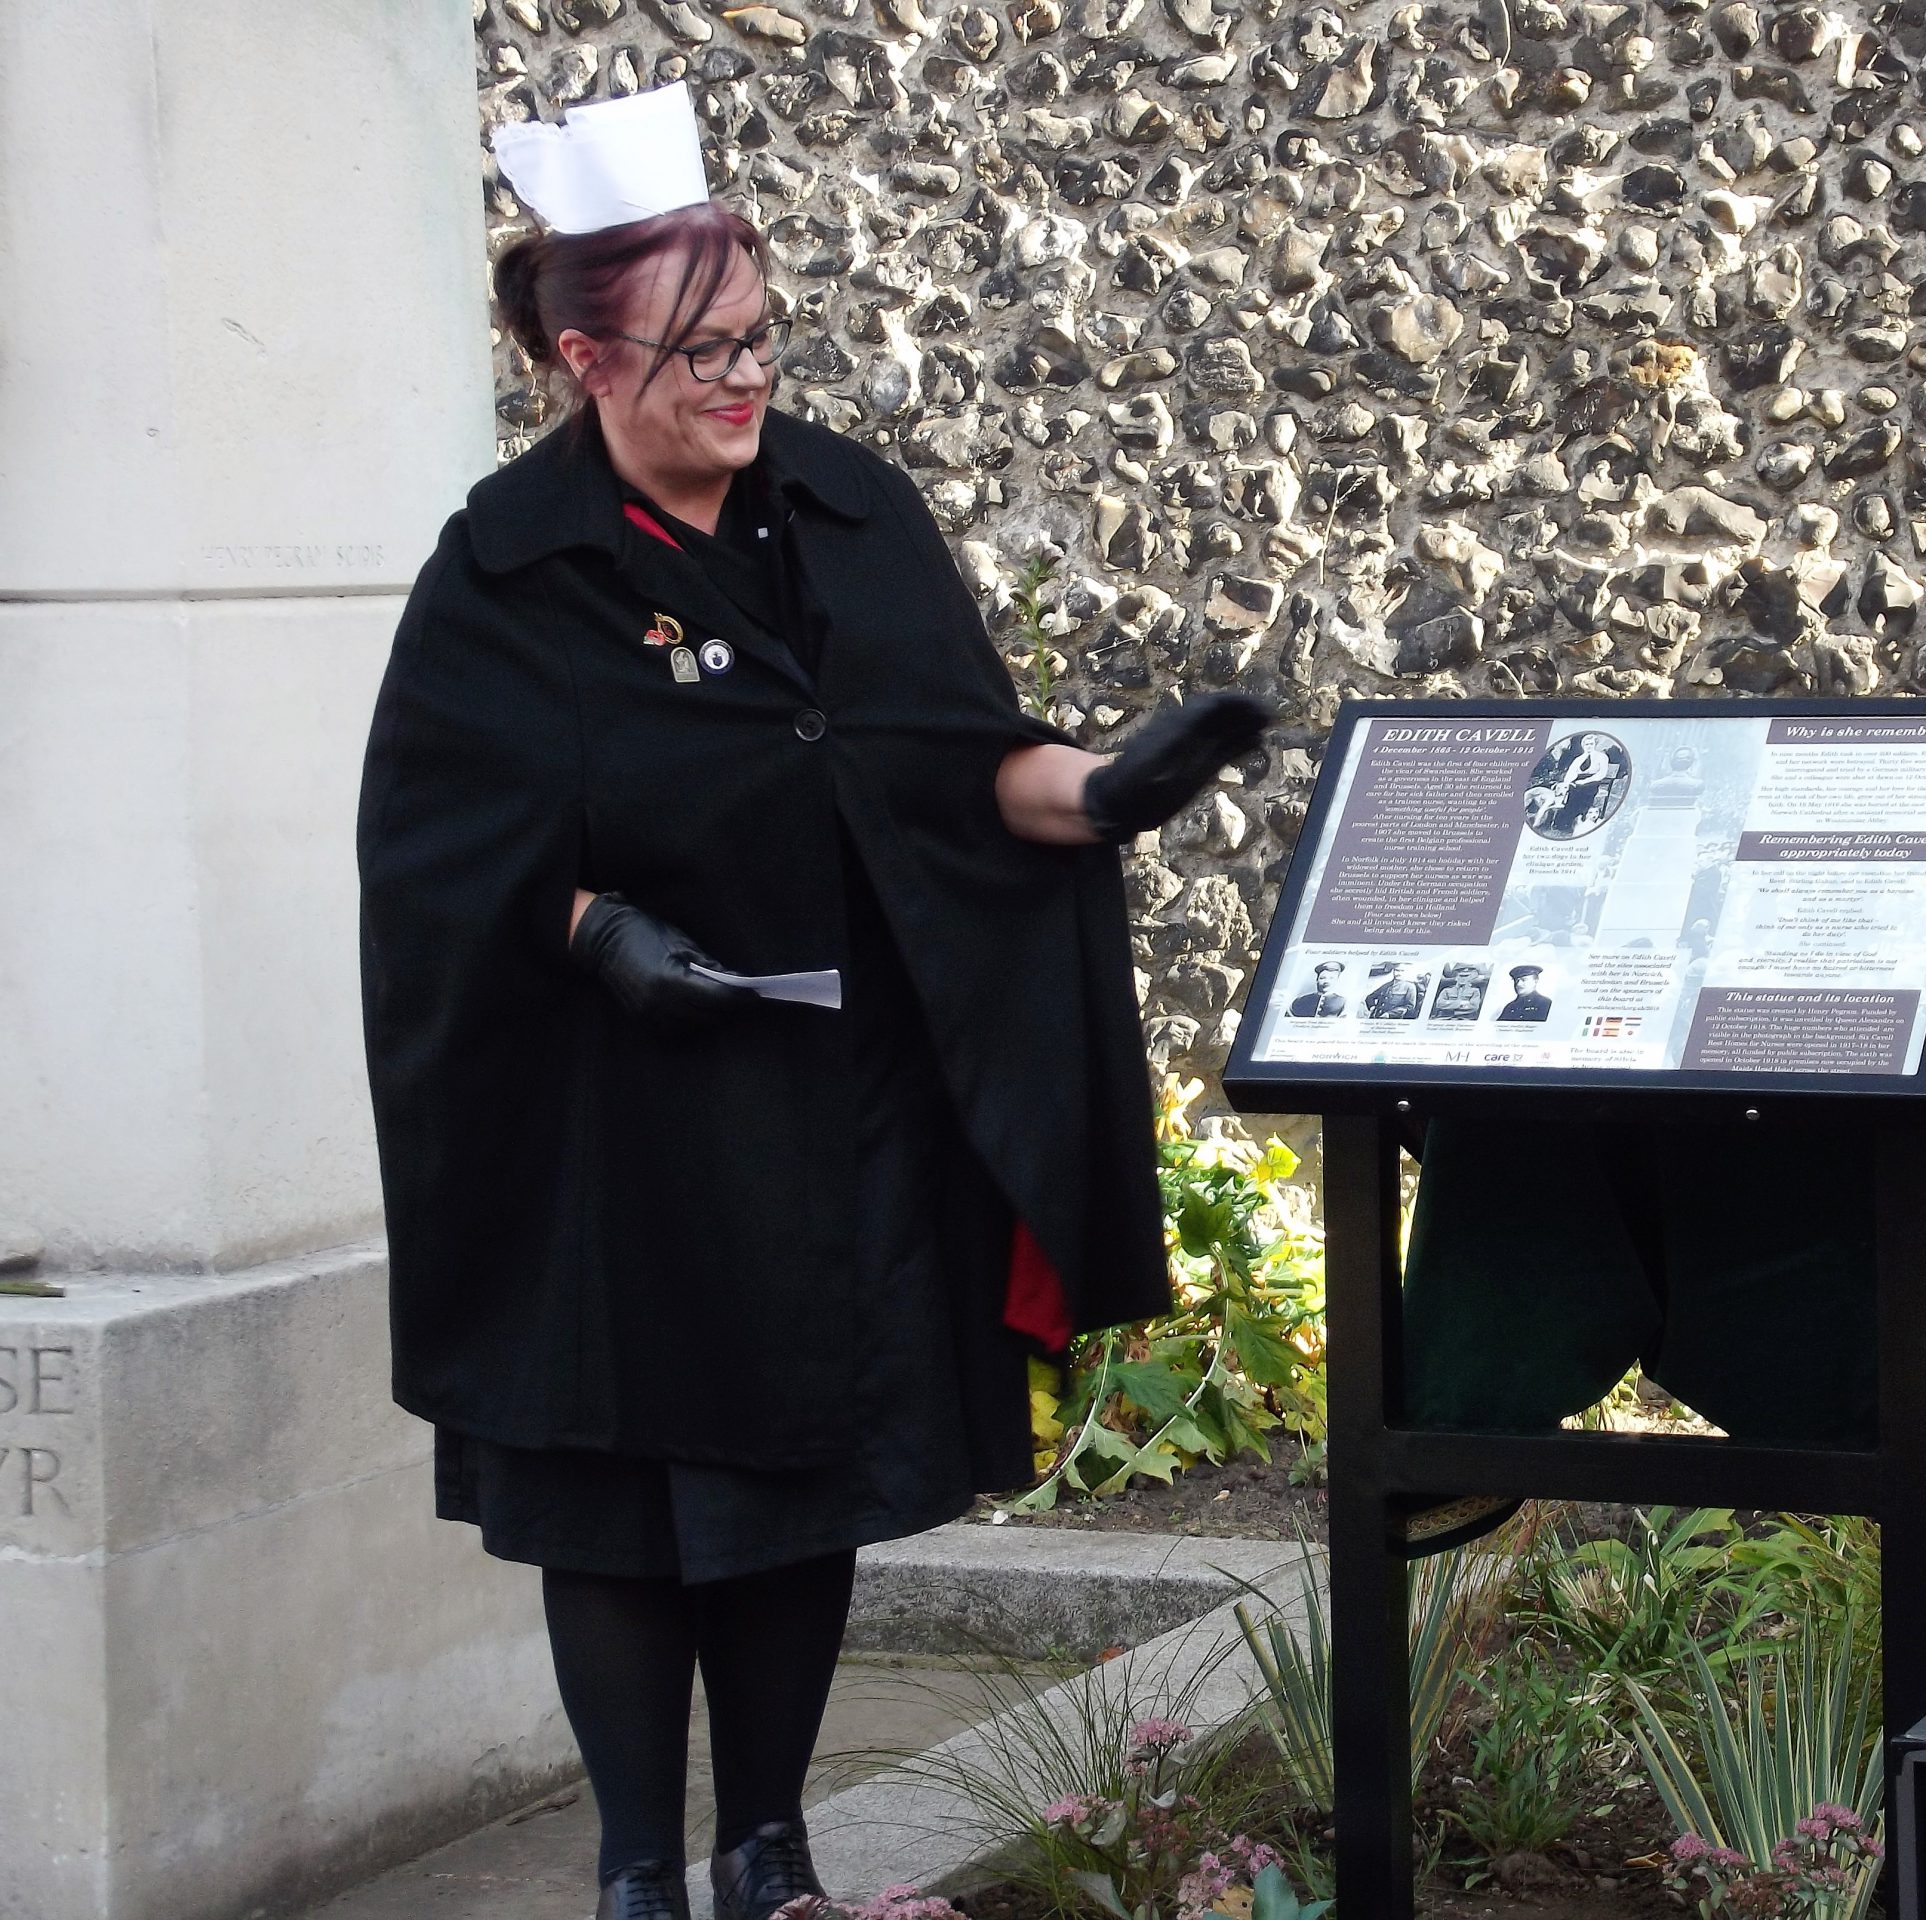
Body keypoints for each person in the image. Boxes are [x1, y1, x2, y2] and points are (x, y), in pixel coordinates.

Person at [356, 87, 1267, 1920]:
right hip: (611, 1135)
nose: (742, 380)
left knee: (799, 1487)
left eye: (760, 338)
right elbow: (439, 853)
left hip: (831, 1110)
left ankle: (769, 1854)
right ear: (582, 353)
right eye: (699, 351)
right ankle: (637, 1874)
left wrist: (1104, 789)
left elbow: (961, 768)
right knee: (621, 1503)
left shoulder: (850, 512)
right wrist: (597, 927)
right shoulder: (506, 568)